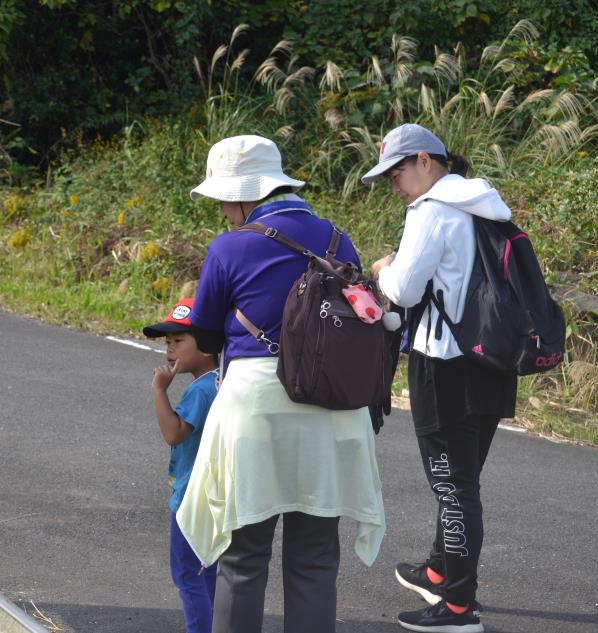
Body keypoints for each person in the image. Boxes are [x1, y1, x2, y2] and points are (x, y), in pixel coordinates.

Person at [175, 135, 386, 633]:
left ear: (247, 195)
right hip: (332, 406)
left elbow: (204, 335)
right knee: (315, 558)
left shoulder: (230, 247)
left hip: (257, 407)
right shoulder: (338, 239)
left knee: (243, 558)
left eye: (226, 198)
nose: (225, 210)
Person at [363, 123, 517, 633]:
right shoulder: (484, 203)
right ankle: (438, 568)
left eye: (398, 172)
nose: (395, 186)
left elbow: (404, 290)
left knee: (453, 489)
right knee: (463, 480)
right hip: (492, 360)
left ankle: (456, 608)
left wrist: (385, 266)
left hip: (445, 363)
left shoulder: (431, 210)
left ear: (426, 160)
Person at [144, 297, 220, 633]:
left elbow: (174, 434)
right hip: (215, 494)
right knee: (211, 571)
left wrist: (160, 391)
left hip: (191, 497)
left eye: (178, 341)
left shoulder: (200, 391)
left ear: (206, 345)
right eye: (167, 342)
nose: (169, 350)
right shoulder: (222, 383)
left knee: (188, 574)